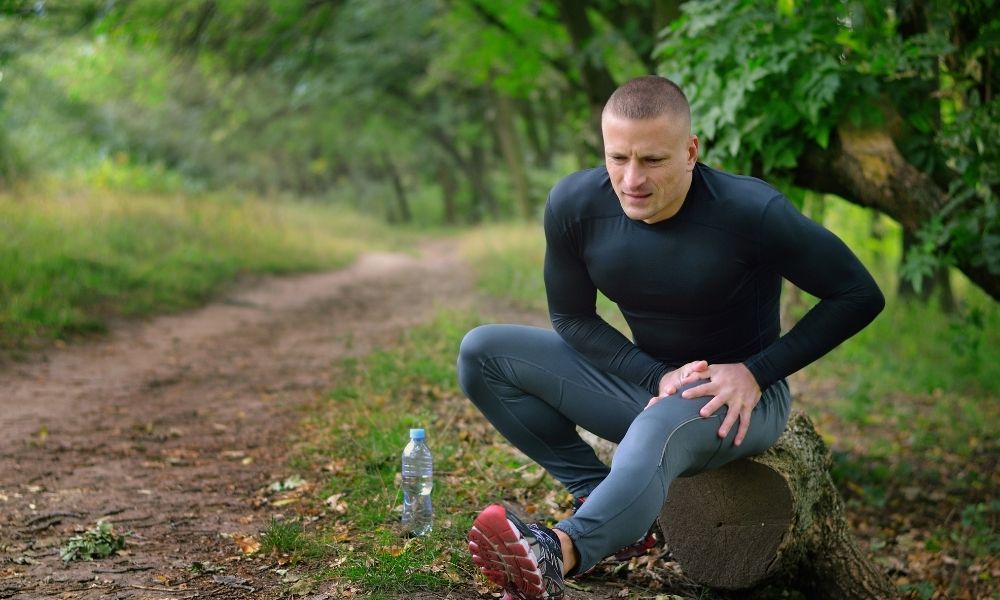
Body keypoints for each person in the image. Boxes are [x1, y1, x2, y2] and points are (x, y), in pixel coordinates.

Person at [457, 75, 884, 599]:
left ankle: (562, 549)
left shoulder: (751, 211)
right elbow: (571, 318)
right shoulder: (574, 204)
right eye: (618, 158)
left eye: (653, 161)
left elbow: (859, 295)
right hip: (649, 381)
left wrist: (758, 371)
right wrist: (653, 373)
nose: (631, 179)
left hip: (739, 399)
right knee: (483, 352)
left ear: (690, 151)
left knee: (663, 421)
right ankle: (600, 499)